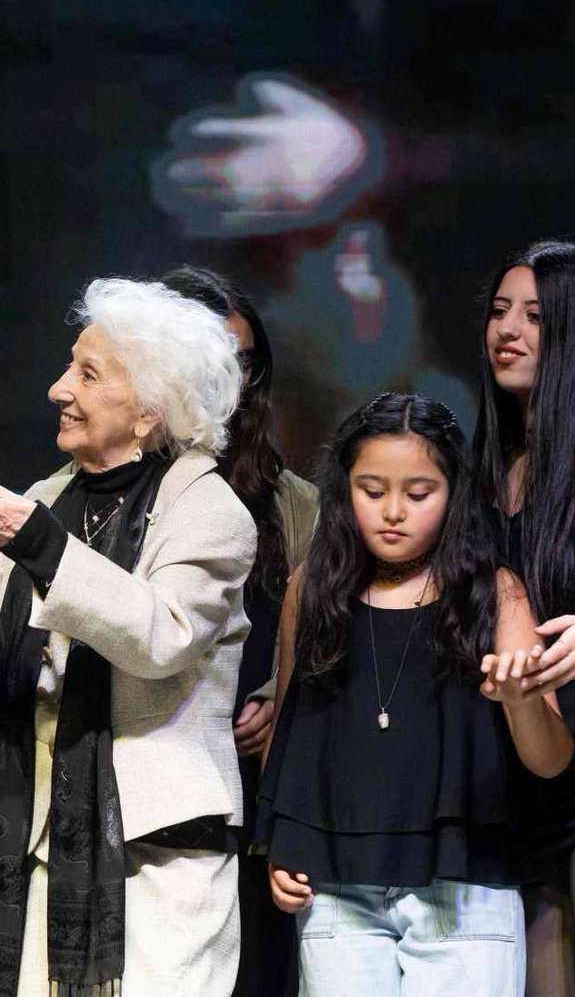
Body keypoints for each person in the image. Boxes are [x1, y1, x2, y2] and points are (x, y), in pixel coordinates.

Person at [0, 277, 255, 996]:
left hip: (158, 859)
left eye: (88, 375)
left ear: (150, 406)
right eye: (69, 366)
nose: (58, 389)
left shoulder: (210, 510)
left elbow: (162, 636)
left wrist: (39, 546)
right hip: (36, 844)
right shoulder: (46, 499)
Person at [256, 393, 572, 997]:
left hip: (464, 887)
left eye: (419, 493)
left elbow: (549, 759)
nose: (393, 511)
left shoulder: (493, 592)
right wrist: (281, 846)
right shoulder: (314, 587)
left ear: (453, 493)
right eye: (371, 491)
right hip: (337, 890)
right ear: (344, 488)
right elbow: (290, 731)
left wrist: (519, 696)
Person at [161, 264, 317, 997]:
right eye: (212, 355)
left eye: (244, 360)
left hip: (261, 781)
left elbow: (333, 636)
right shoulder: (117, 488)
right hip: (157, 765)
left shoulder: (295, 503)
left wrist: (277, 695)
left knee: (261, 966)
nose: (231, 377)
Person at [473, 241, 575, 997]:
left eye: (534, 316)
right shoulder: (489, 473)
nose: (508, 330)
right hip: (527, 781)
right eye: (499, 312)